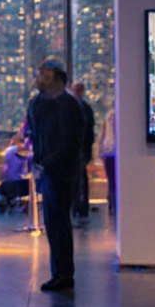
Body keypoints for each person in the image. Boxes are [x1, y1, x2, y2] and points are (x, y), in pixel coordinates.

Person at [27, 58, 85, 293]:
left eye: (45, 75)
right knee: (53, 223)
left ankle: (64, 274)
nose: (40, 79)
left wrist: (48, 162)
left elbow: (72, 143)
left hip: (62, 173)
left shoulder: (70, 106)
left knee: (59, 223)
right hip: (49, 171)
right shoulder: (39, 103)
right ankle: (59, 273)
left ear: (58, 78)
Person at [71, 82, 95, 221]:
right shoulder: (71, 107)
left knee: (81, 179)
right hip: (73, 149)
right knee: (74, 180)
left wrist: (88, 152)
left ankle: (82, 207)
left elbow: (90, 132)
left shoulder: (85, 109)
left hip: (81, 150)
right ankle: (75, 207)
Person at [0, 133, 31, 213]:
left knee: (1, 189)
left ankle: (4, 203)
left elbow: (6, 167)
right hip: (23, 184)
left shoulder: (9, 151)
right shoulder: (27, 152)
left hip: (11, 183)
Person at [96, 108, 116, 216]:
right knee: (115, 180)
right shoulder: (119, 114)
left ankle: (112, 202)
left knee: (111, 179)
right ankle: (114, 202)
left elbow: (102, 132)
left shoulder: (108, 114)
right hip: (115, 151)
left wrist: (100, 150)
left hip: (109, 150)